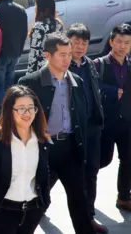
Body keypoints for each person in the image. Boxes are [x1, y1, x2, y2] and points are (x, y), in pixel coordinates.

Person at [18, 33, 95, 234]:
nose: (67, 59)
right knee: (39, 200)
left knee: (79, 199)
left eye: (69, 54)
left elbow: (82, 115)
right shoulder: (30, 82)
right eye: (61, 54)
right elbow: (17, 119)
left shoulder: (75, 80)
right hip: (44, 148)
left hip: (70, 147)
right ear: (47, 55)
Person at [0, 85, 51, 234]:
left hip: (32, 210)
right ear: (9, 111)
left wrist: (44, 202)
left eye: (31, 108)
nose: (27, 113)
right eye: (21, 108)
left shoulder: (41, 140)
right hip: (2, 211)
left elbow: (44, 175)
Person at [67, 24, 107, 233]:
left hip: (92, 127)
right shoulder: (62, 66)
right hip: (71, 130)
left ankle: (88, 217)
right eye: (76, 42)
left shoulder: (90, 64)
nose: (80, 47)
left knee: (91, 172)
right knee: (60, 175)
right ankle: (35, 210)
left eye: (84, 43)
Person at [94, 24, 131, 216]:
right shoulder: (98, 64)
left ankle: (124, 197)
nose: (123, 46)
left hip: (127, 121)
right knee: (100, 160)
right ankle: (85, 195)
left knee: (128, 160)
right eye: (119, 42)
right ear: (111, 42)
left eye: (127, 42)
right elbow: (92, 89)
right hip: (106, 122)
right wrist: (111, 92)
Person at [0, 0, 28, 113]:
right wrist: (19, 50)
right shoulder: (20, 9)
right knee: (10, 85)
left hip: (0, 53)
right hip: (15, 52)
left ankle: (2, 114)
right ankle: (10, 113)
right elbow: (24, 32)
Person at [27, 0, 63, 74]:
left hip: (41, 68)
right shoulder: (58, 24)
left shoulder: (39, 26)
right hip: (55, 63)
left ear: (42, 8)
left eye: (36, 5)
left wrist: (29, 72)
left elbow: (34, 51)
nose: (35, 8)